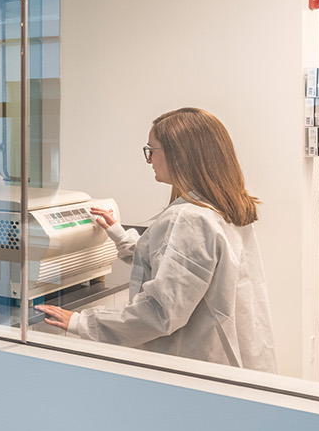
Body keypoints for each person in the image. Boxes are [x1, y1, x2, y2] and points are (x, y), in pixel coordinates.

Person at [34, 107, 277, 373]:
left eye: (152, 151)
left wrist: (82, 323)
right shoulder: (224, 207)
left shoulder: (189, 218)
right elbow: (174, 265)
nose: (149, 160)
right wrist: (117, 233)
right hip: (238, 354)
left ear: (180, 156)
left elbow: (160, 313)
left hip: (196, 365)